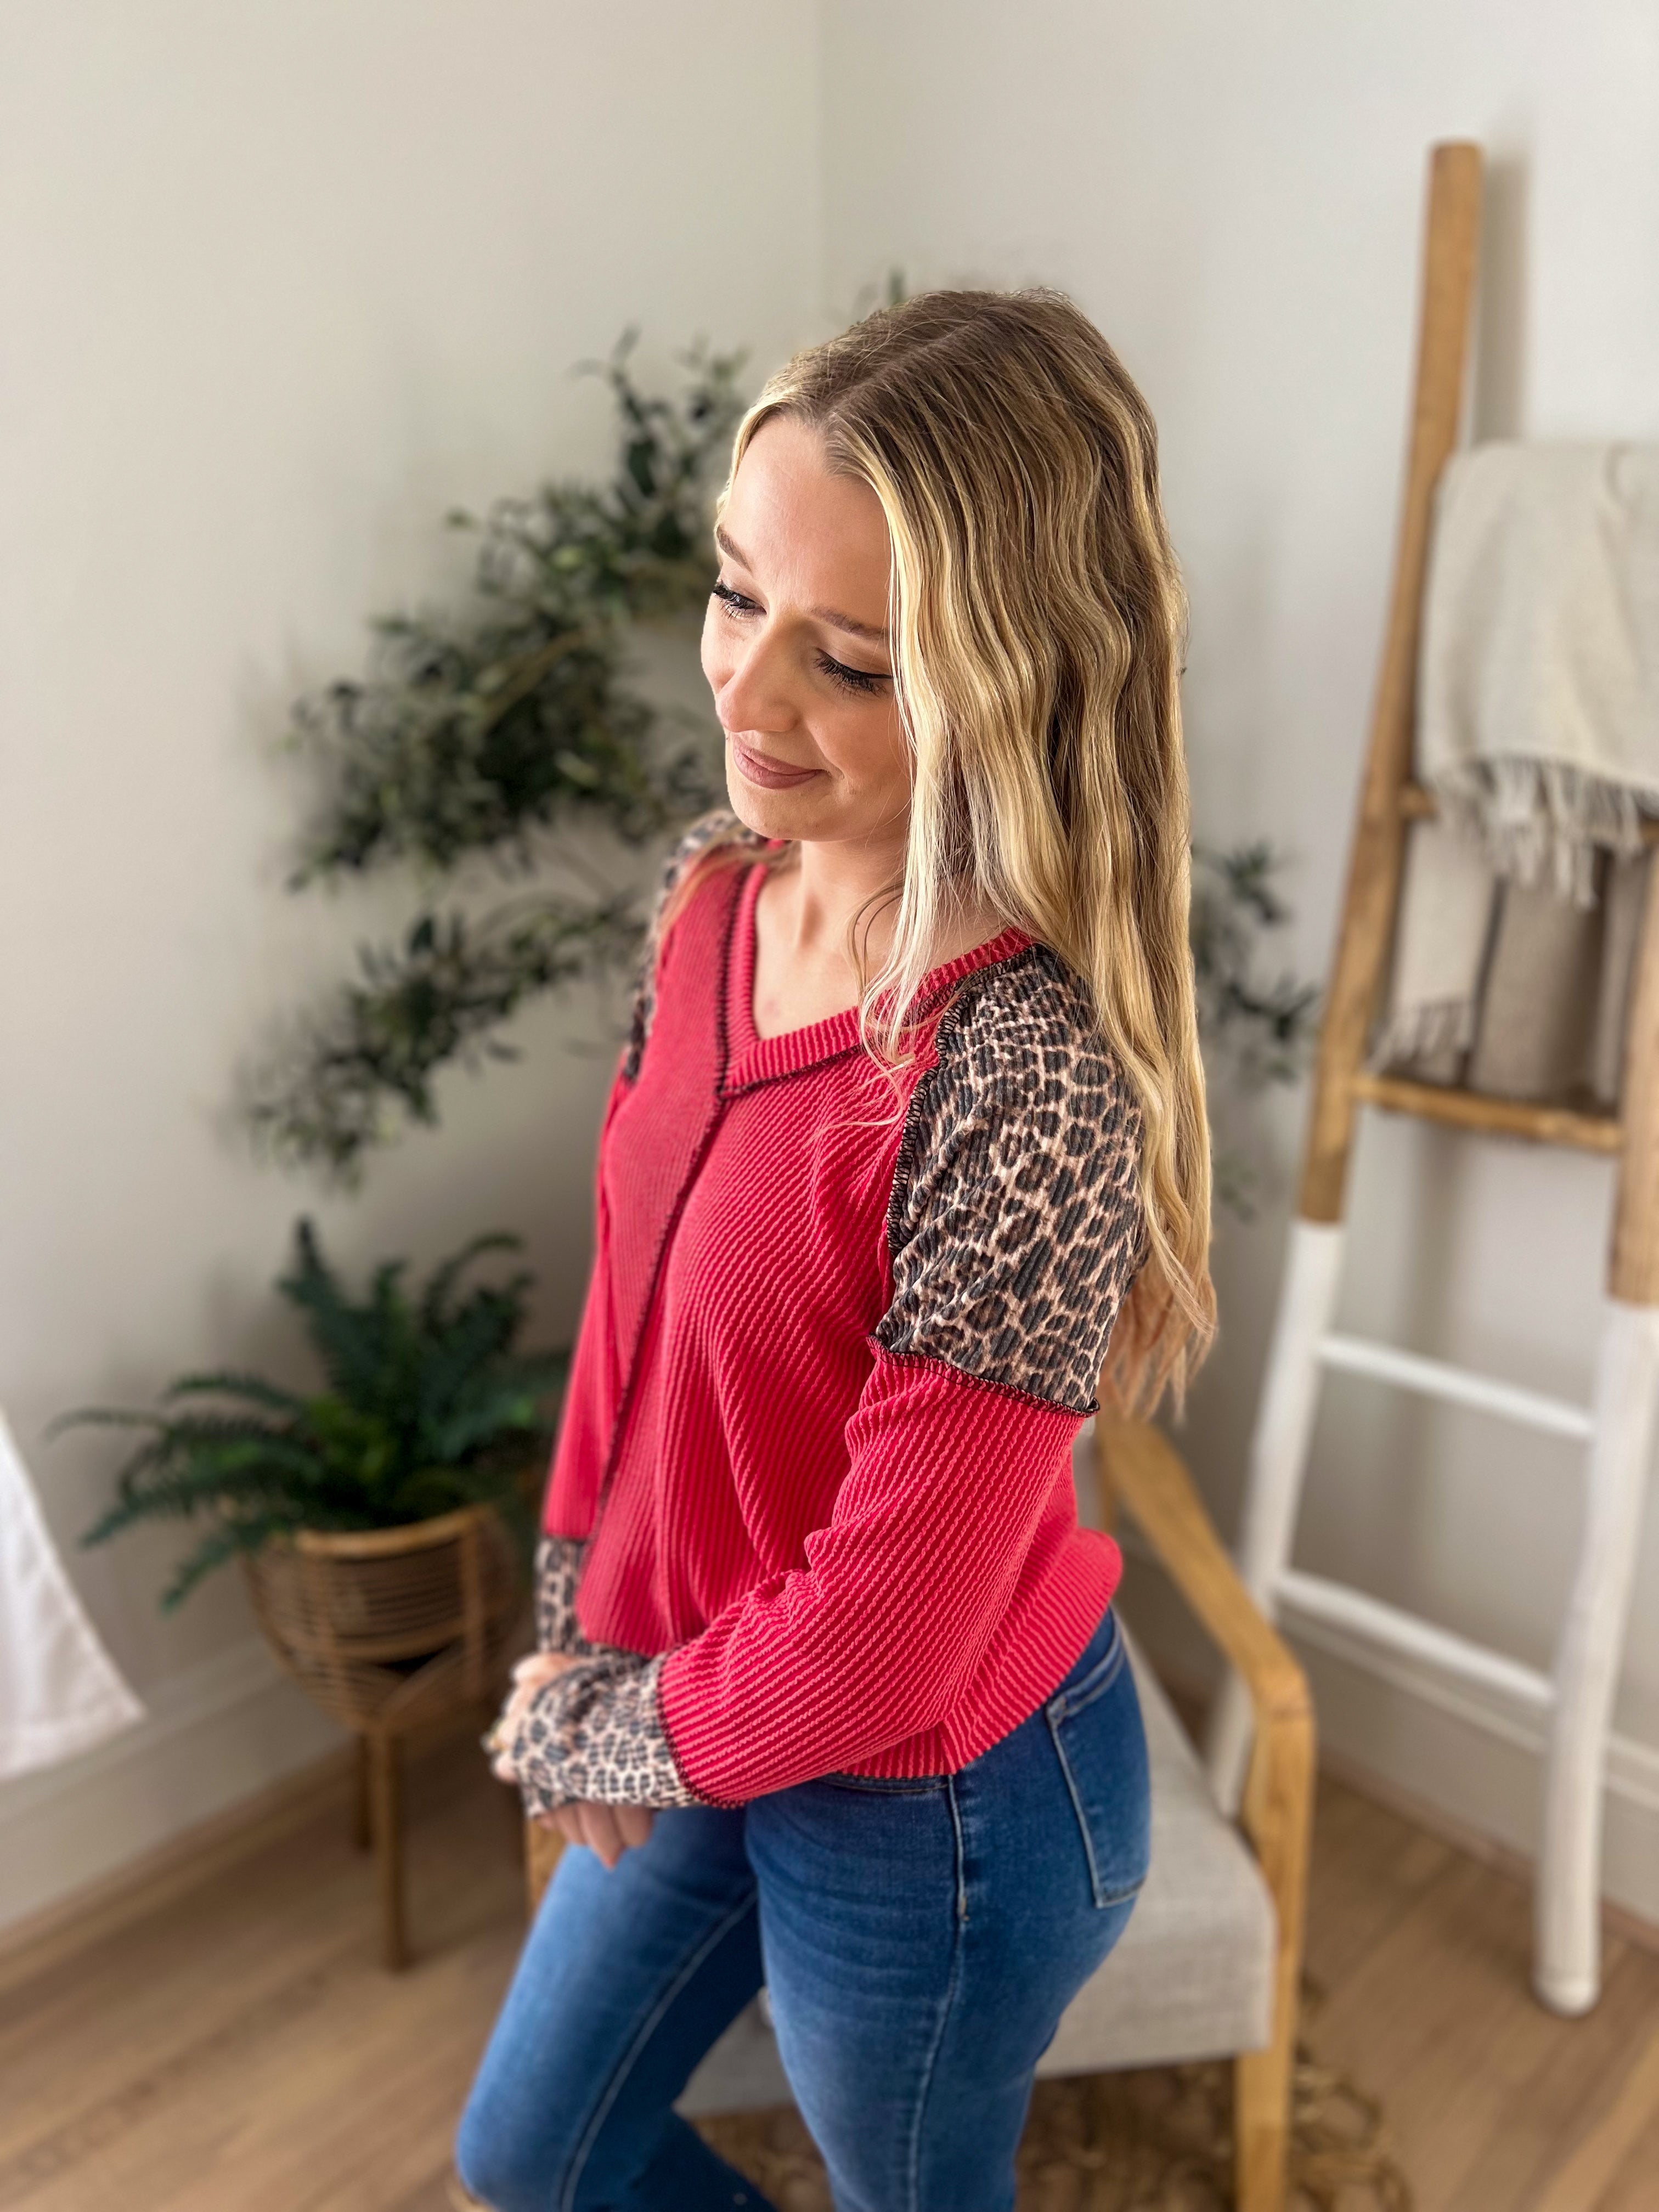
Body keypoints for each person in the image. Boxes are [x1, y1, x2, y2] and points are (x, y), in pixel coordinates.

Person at [452, 287, 1215, 2212]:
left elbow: (881, 1636)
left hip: (938, 1805)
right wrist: (577, 1634)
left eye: (850, 662)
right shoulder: (711, 902)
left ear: (1015, 684)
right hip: (708, 1681)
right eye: (734, 596)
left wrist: (616, 1726)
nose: (741, 694)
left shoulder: (1021, 1077)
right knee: (531, 2159)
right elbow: (630, 1315)